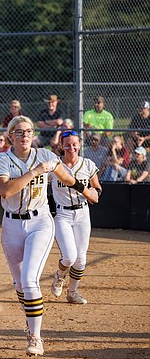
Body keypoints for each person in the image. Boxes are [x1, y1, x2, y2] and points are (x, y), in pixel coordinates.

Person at [0, 116, 98, 357]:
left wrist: (85, 190)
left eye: (28, 131)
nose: (25, 135)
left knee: (30, 281)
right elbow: (5, 191)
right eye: (19, 132)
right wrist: (36, 171)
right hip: (12, 225)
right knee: (20, 286)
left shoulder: (47, 155)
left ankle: (35, 337)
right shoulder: (2, 159)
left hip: (40, 222)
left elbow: (66, 177)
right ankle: (30, 317)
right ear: (10, 137)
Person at [48, 130, 101, 307]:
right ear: (61, 146)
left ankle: (72, 292)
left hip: (82, 214)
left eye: (74, 144)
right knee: (69, 257)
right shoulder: (55, 166)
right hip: (62, 214)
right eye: (68, 144)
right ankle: (59, 276)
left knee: (81, 259)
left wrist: (96, 193)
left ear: (79, 144)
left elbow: (97, 187)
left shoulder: (87, 164)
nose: (71, 147)